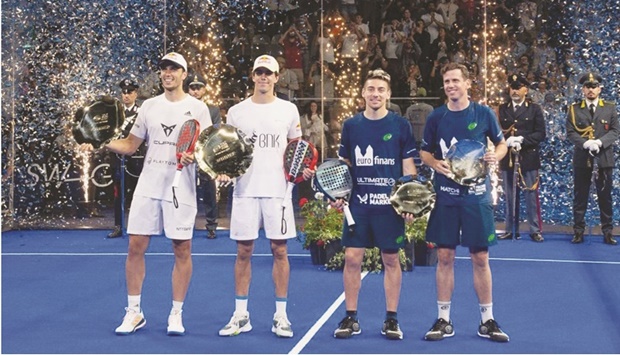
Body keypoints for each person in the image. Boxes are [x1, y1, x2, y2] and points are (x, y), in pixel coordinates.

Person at [79, 52, 212, 336]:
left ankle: (176, 314)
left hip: (180, 188)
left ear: (183, 74)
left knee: (182, 249)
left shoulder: (198, 108)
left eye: (174, 69)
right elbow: (130, 145)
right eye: (164, 69)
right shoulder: (149, 107)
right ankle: (134, 312)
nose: (168, 73)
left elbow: (207, 152)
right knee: (135, 247)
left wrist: (195, 156)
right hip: (149, 185)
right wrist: (100, 141)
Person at [217, 54, 314, 338]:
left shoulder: (288, 110)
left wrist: (304, 170)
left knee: (280, 251)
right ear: (253, 75)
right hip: (245, 190)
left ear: (276, 77)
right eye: (259, 72)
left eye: (268, 73)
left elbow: (298, 150)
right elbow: (228, 149)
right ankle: (240, 315)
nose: (263, 77)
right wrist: (223, 170)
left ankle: (281, 316)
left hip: (278, 193)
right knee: (243, 252)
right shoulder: (236, 111)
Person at [419, 63, 510, 342]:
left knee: (480, 258)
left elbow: (501, 143)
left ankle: (487, 320)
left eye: (456, 80)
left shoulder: (483, 113)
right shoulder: (436, 117)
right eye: (447, 81)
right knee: (444, 257)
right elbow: (424, 152)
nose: (451, 85)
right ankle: (443, 320)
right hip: (446, 196)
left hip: (476, 197)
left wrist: (497, 154)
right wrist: (434, 163)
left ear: (467, 83)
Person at [332, 69, 417, 341]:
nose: (375, 94)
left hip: (389, 208)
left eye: (381, 89)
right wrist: (339, 193)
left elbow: (408, 168)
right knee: (352, 258)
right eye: (370, 89)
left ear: (388, 94)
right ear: (363, 93)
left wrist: (409, 203)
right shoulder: (351, 125)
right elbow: (344, 165)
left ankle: (391, 319)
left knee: (391, 259)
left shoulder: (401, 125)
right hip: (358, 206)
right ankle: (351, 317)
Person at [566, 72, 619, 245]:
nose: (591, 90)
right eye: (587, 87)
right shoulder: (574, 109)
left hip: (604, 159)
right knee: (580, 196)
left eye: (594, 86)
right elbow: (571, 132)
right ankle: (578, 231)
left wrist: (600, 142)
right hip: (582, 158)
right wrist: (585, 144)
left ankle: (607, 231)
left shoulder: (609, 107)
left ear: (600, 88)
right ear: (582, 89)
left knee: (605, 197)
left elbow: (615, 131)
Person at [498, 74, 546, 242]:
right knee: (510, 195)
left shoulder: (534, 109)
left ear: (526, 89)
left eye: (518, 88)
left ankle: (534, 230)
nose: (515, 91)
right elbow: (496, 131)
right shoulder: (502, 108)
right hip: (508, 157)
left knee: (530, 195)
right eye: (512, 88)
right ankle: (511, 229)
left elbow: (541, 133)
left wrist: (523, 140)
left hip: (528, 157)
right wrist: (506, 141)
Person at [187, 74, 222, 239]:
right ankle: (185, 223)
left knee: (209, 189)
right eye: (192, 88)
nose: (195, 91)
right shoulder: (180, 107)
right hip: (185, 155)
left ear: (204, 89)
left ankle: (211, 224)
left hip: (205, 155)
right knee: (185, 190)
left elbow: (214, 132)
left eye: (198, 87)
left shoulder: (213, 110)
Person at [107, 78, 143, 238]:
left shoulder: (141, 112)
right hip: (116, 156)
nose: (126, 95)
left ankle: (140, 226)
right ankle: (118, 225)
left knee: (139, 192)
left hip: (136, 157)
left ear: (136, 94)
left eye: (130, 92)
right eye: (124, 92)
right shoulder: (114, 112)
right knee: (117, 193)